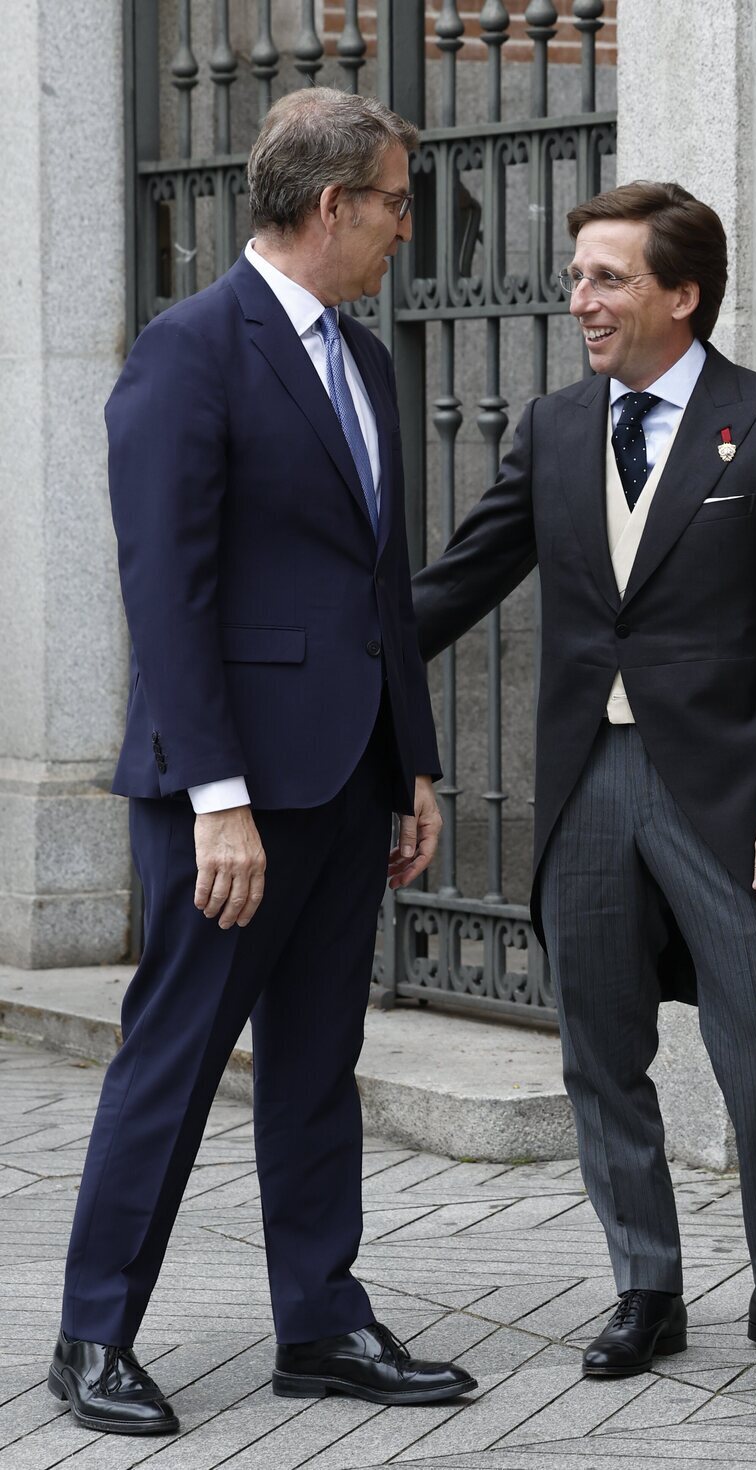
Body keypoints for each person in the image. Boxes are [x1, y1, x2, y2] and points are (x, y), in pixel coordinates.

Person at [49, 87, 476, 1436]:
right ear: (333, 201)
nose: (411, 227)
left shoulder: (369, 359)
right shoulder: (189, 351)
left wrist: (412, 761)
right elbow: (164, 595)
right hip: (228, 799)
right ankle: (92, 1334)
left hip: (349, 783)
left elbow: (377, 578)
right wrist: (214, 798)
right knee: (171, 1062)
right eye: (399, 201)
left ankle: (323, 1322)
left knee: (316, 1062)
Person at [412, 181, 756, 1378]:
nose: (581, 300)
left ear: (682, 293)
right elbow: (455, 584)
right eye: (577, 278)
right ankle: (644, 1287)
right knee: (598, 1050)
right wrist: (321, 670)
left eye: (607, 278)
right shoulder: (557, 429)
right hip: (585, 784)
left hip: (725, 789)